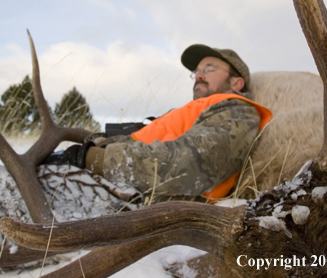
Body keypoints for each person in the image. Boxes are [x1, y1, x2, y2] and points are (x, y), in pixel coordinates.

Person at [43, 44, 272, 201]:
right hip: (111, 182)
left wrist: (92, 158)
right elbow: (139, 140)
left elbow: (188, 164)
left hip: (133, 200)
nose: (199, 75)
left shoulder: (237, 111)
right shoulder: (186, 113)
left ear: (237, 83)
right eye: (197, 71)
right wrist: (90, 146)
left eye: (210, 69)